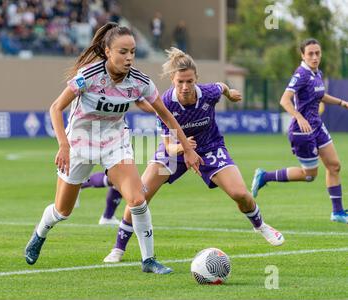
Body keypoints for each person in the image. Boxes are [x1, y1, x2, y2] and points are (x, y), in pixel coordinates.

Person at [24, 23, 202, 274]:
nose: (129, 57)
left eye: (132, 52)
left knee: (138, 199)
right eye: (122, 52)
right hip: (80, 142)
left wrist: (188, 149)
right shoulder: (89, 75)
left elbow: (167, 117)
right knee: (63, 211)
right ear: (107, 51)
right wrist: (63, 145)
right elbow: (56, 107)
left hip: (114, 142)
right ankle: (39, 234)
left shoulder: (141, 82)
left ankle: (149, 260)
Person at [103, 47, 285, 263]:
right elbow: (169, 146)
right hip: (174, 152)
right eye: (180, 81)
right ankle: (118, 248)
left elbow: (222, 87)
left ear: (196, 79)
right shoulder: (166, 102)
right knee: (139, 196)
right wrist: (182, 148)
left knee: (240, 194)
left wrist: (230, 93)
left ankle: (261, 226)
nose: (185, 86)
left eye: (190, 81)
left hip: (210, 147)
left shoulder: (208, 94)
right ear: (173, 79)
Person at [251, 38, 348, 224]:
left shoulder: (316, 73)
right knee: (310, 175)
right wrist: (299, 117)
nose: (314, 57)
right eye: (310, 53)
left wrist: (341, 102)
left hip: (317, 126)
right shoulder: (301, 74)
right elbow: (284, 100)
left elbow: (320, 95)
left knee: (334, 165)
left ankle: (338, 213)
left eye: (317, 53)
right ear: (303, 55)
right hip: (302, 132)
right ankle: (265, 176)